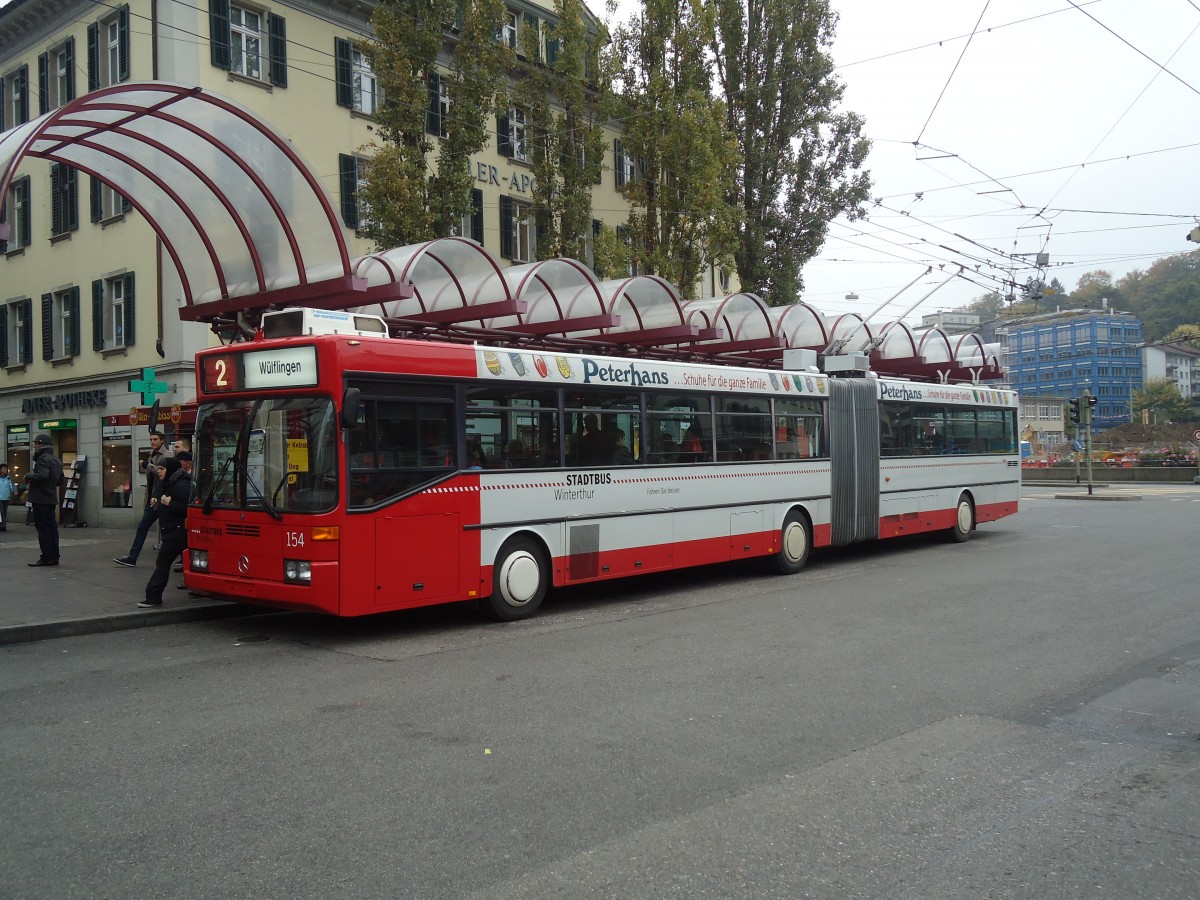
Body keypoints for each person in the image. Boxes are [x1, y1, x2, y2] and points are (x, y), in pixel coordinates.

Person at [139, 456, 192, 608]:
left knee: (163, 562)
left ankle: (153, 596)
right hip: (172, 531)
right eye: (158, 468)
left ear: (171, 470)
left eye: (162, 468)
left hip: (177, 532)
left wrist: (169, 503)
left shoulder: (181, 485)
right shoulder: (168, 482)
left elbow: (187, 508)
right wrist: (157, 500)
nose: (158, 471)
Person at [113, 431, 169, 567]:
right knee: (143, 526)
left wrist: (146, 465)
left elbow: (163, 473)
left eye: (155, 439)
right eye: (151, 439)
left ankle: (177, 559)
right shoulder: (152, 455)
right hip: (152, 498)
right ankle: (133, 557)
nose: (152, 442)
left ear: (162, 441)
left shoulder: (167, 455)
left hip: (162, 498)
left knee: (167, 530)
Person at [24, 433, 63, 567]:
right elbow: (60, 480)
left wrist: (28, 476)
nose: (34, 446)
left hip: (40, 498)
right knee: (52, 527)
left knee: (43, 528)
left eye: (35, 443)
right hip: (51, 498)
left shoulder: (42, 459)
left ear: (40, 444)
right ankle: (54, 556)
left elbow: (42, 475)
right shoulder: (56, 460)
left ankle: (46, 557)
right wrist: (50, 487)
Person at [0, 462, 14, 532]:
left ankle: (2, 525)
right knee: (1, 512)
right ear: (0, 470)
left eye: (6, 469)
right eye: (4, 468)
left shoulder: (8, 478)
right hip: (0, 498)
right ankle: (3, 526)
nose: (5, 470)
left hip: (6, 498)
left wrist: (14, 491)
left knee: (4, 512)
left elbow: (11, 486)